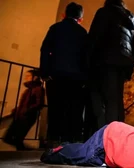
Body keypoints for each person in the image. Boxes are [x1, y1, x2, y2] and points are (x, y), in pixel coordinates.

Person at [85, 0, 134, 133]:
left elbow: (94, 38)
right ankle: (118, 136)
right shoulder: (131, 18)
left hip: (104, 60)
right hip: (122, 63)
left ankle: (107, 138)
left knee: (103, 100)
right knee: (116, 100)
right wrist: (129, 69)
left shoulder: (104, 12)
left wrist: (87, 63)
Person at [40, 2, 87, 146]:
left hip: (56, 75)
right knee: (74, 110)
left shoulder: (55, 28)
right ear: (80, 18)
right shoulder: (83, 32)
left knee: (55, 108)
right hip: (76, 78)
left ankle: (54, 140)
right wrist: (85, 77)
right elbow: (86, 56)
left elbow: (45, 51)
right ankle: (71, 142)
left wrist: (44, 72)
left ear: (64, 15)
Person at [3, 70, 44, 150]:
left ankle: (31, 152)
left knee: (15, 139)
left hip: (27, 117)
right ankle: (29, 152)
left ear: (34, 77)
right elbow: (24, 104)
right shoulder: (29, 90)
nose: (26, 78)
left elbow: (39, 104)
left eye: (28, 76)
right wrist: (16, 111)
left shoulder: (38, 89)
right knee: (11, 139)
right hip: (19, 117)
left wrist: (27, 111)